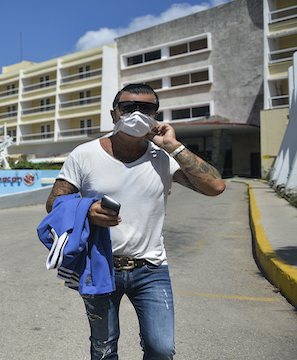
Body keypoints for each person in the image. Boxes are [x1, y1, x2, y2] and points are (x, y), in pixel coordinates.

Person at [45, 84, 225, 359]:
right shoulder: (85, 154)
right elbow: (53, 204)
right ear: (114, 114)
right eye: (128, 107)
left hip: (151, 268)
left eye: (147, 109)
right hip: (100, 266)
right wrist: (87, 209)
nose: (137, 113)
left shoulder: (164, 156)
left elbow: (215, 187)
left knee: (161, 349)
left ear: (156, 116)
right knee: (103, 349)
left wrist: (173, 146)